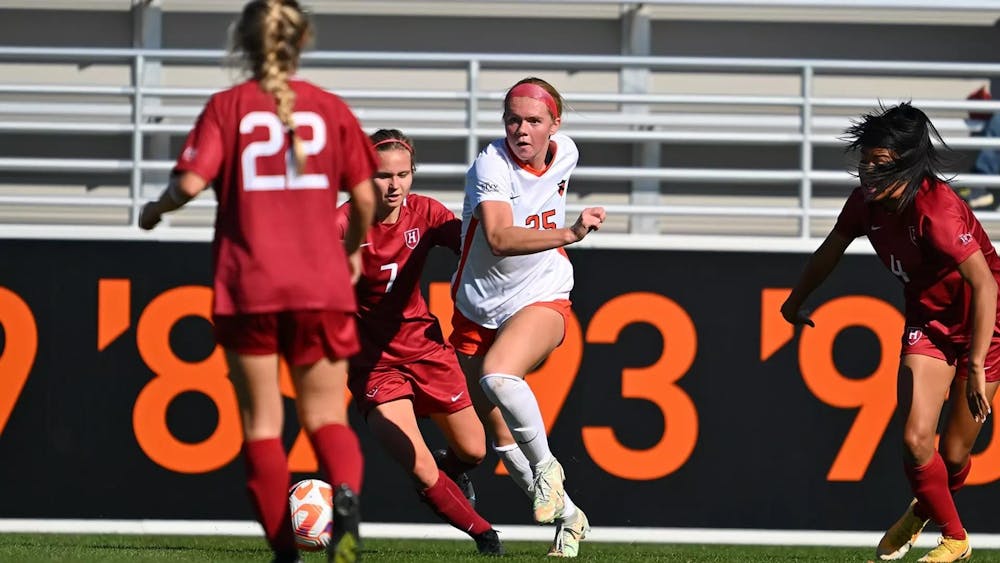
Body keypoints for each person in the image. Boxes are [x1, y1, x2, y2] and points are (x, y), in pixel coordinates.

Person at [137, 2, 376, 562]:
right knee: (326, 418)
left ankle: (283, 551)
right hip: (321, 286)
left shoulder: (228, 107)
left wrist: (154, 209)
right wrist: (351, 252)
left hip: (251, 289)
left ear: (241, 43)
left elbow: (190, 183)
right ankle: (344, 499)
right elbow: (364, 199)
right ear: (302, 41)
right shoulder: (331, 108)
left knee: (263, 426)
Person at [780, 102, 998, 563]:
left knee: (954, 458)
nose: (866, 174)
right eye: (864, 162)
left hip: (986, 324)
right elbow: (828, 252)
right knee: (917, 441)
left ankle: (921, 511)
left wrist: (976, 363)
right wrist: (795, 300)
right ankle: (956, 540)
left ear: (906, 165)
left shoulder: (938, 212)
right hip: (928, 323)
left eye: (877, 165)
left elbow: (985, 284)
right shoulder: (865, 205)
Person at [450, 76, 605, 558]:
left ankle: (548, 471)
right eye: (513, 119)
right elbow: (498, 237)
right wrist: (571, 231)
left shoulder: (568, 152)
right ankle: (570, 517)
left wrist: (567, 238)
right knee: (499, 439)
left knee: (499, 375)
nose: (522, 129)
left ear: (554, 125)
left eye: (534, 120)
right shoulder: (489, 166)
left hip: (543, 292)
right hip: (478, 306)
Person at [333, 129, 503, 556]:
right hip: (374, 363)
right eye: (382, 175)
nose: (394, 186)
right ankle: (486, 537)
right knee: (421, 465)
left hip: (426, 349)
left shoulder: (424, 212)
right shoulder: (341, 222)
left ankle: (448, 477)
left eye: (403, 175)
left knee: (475, 450)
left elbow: (477, 246)